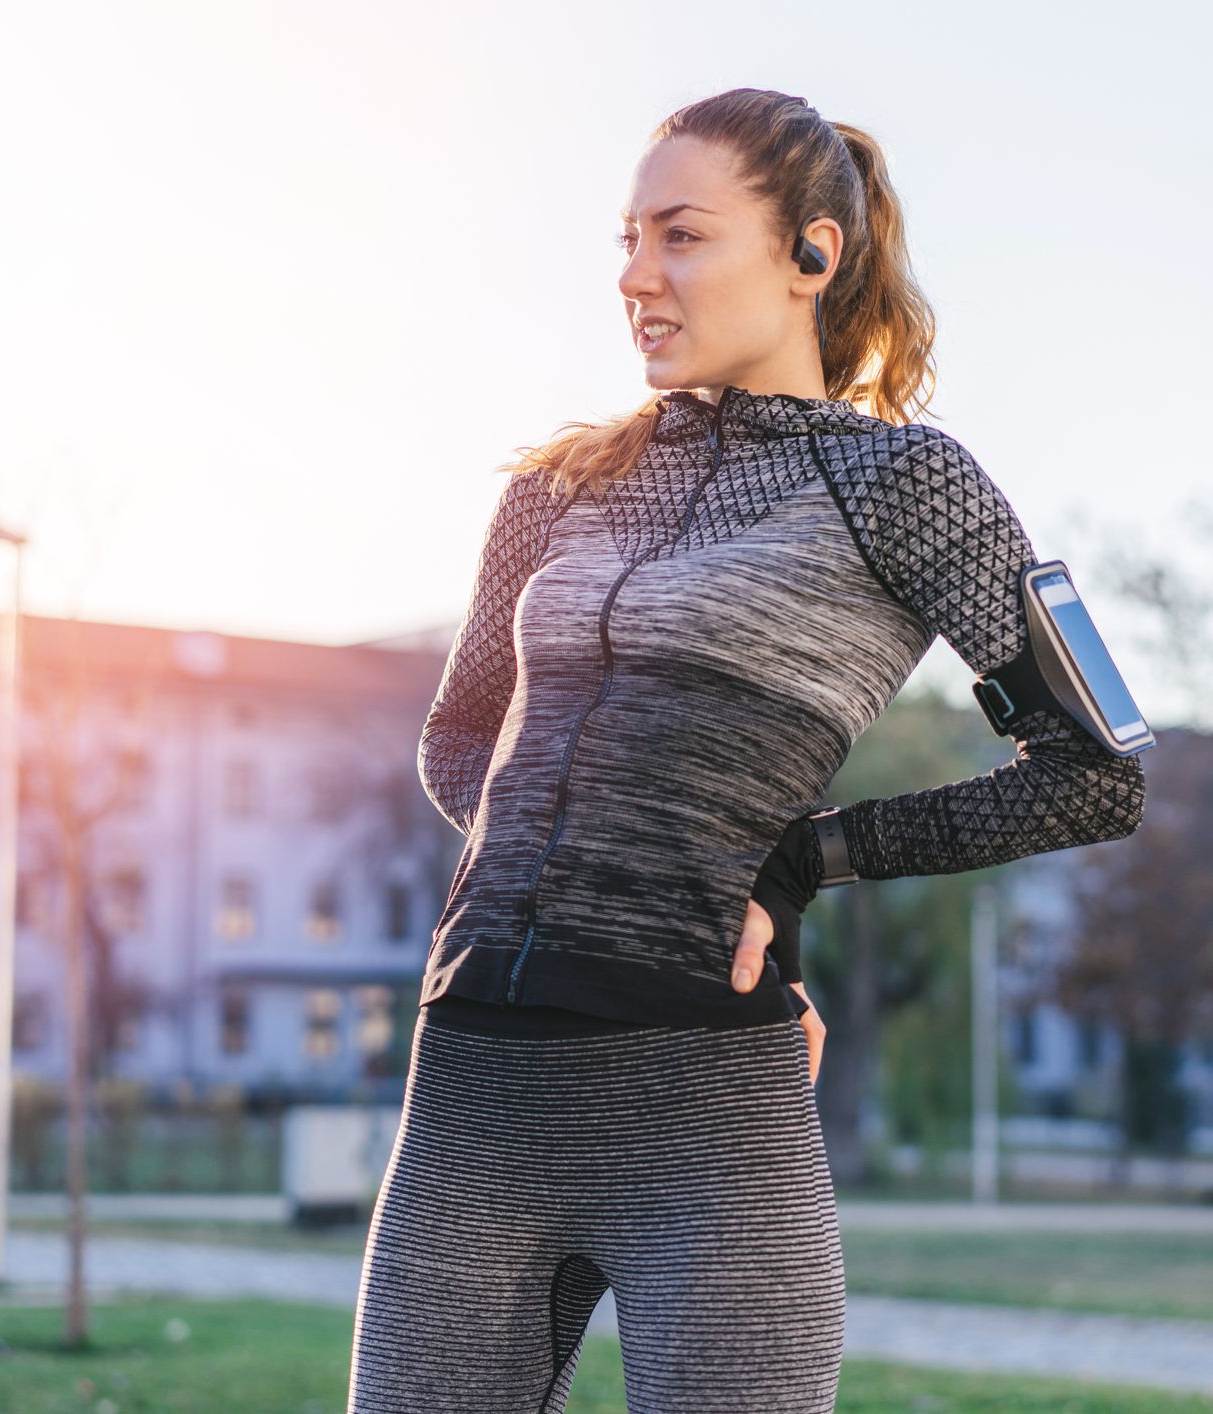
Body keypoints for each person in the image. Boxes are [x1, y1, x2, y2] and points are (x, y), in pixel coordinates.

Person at [347, 87, 1148, 1414]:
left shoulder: (906, 485)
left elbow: (1098, 773)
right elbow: (462, 741)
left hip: (704, 1109)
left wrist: (795, 867)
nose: (635, 277)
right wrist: (593, 865)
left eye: (681, 236)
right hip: (472, 1099)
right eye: (625, 239)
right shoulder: (558, 487)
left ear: (811, 255)